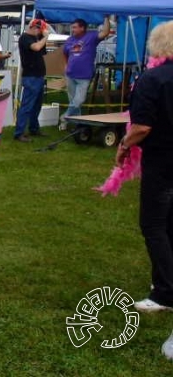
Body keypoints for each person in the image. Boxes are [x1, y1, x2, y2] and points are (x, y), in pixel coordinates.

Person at [113, 21, 173, 323]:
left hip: (163, 161)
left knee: (153, 224)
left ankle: (165, 292)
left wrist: (124, 145)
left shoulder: (153, 79)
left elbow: (142, 126)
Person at [59, 16, 112, 130]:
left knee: (79, 100)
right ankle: (78, 124)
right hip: (70, 75)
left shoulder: (92, 36)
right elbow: (65, 52)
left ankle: (64, 117)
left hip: (84, 76)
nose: (72, 30)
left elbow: (105, 32)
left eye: (75, 27)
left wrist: (106, 17)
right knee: (73, 101)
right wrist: (66, 64)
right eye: (72, 27)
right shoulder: (70, 40)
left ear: (82, 28)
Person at [14, 19, 50, 142]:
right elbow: (36, 48)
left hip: (38, 76)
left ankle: (34, 128)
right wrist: (46, 37)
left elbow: (41, 51)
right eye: (40, 30)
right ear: (36, 28)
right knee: (27, 105)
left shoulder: (35, 38)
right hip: (31, 76)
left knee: (36, 105)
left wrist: (42, 38)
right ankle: (19, 132)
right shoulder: (25, 38)